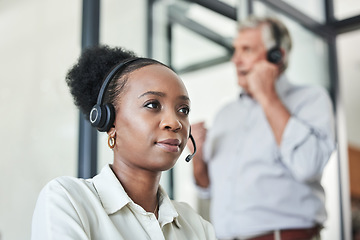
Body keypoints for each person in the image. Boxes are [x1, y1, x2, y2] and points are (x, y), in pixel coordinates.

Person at [31, 45, 217, 240]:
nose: (175, 122)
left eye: (183, 110)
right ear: (110, 121)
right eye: (152, 105)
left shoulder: (196, 225)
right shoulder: (69, 200)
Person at [188, 15, 336, 240]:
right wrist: (197, 156)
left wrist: (267, 96)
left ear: (277, 56)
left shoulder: (310, 99)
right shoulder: (225, 114)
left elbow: (307, 165)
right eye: (235, 50)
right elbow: (208, 189)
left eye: (246, 50)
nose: (236, 60)